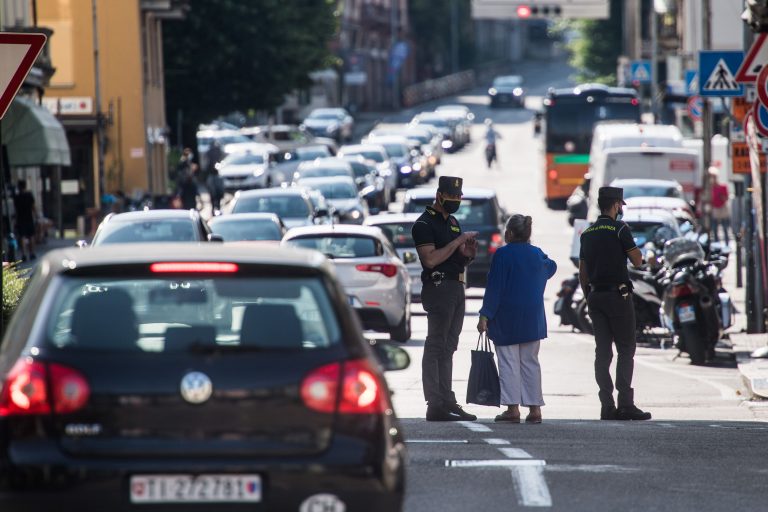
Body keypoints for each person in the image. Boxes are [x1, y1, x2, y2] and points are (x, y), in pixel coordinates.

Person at [579, 186, 651, 421]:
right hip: (618, 297)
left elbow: (583, 273)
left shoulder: (587, 233)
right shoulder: (620, 229)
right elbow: (638, 261)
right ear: (616, 205)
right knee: (626, 349)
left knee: (602, 353)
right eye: (620, 205)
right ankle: (626, 404)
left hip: (595, 297)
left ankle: (607, 406)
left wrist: (588, 295)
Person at [477, 214, 557, 424]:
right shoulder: (537, 254)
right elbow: (552, 266)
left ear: (510, 233)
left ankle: (512, 409)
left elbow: (495, 289)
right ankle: (535, 409)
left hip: (507, 318)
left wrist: (485, 315)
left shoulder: (502, 255)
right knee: (531, 363)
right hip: (532, 318)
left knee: (509, 363)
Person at [412, 176, 479, 422]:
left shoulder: (452, 222)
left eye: (459, 198)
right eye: (451, 198)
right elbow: (430, 259)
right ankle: (435, 403)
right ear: (439, 195)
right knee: (436, 345)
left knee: (449, 346)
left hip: (456, 286)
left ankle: (447, 400)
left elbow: (453, 257)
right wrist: (458, 242)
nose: (456, 202)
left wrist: (467, 255)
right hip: (438, 287)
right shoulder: (424, 223)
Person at [13, 180, 37, 261]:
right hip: (29, 218)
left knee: (22, 236)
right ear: (25, 186)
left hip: (20, 218)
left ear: (19, 187)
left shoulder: (17, 197)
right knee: (31, 236)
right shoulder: (29, 195)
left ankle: (24, 254)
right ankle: (32, 253)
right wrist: (36, 215)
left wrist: (15, 220)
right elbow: (33, 207)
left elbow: (15, 210)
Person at [710, 168, 731, 245]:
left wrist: (721, 196)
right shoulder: (710, 189)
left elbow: (726, 198)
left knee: (725, 229)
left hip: (723, 210)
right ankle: (717, 245)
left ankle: (727, 245)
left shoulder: (723, 187)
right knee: (714, 230)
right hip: (714, 210)